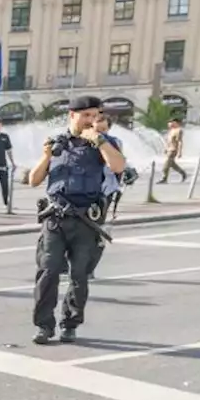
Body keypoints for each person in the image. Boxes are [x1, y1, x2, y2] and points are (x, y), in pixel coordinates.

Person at [28, 95, 126, 344]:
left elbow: (117, 166)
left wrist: (101, 141)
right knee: (48, 272)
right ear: (72, 115)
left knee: (79, 276)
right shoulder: (57, 144)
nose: (92, 121)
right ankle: (44, 326)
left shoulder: (104, 143)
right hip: (56, 218)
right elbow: (33, 180)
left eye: (96, 116)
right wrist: (47, 156)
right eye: (87, 116)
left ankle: (69, 324)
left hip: (85, 220)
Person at [87, 114, 126, 279]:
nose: (102, 132)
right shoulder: (83, 141)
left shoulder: (114, 142)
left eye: (105, 128)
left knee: (97, 231)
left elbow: (119, 164)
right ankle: (77, 265)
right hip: (86, 191)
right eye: (98, 127)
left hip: (105, 192)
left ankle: (89, 267)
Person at [159, 118, 186, 183]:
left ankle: (164, 178)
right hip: (169, 150)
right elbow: (169, 141)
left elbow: (180, 142)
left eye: (172, 122)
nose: (170, 124)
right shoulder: (171, 131)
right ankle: (183, 173)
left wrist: (179, 152)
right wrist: (166, 148)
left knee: (165, 166)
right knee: (172, 165)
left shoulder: (179, 130)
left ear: (176, 123)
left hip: (173, 150)